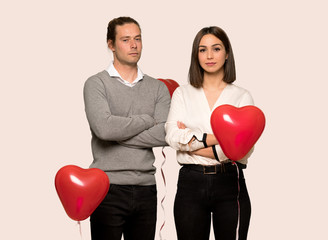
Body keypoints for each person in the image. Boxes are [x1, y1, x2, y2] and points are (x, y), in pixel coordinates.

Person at [83, 16, 171, 240]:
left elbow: (164, 133)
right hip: (107, 189)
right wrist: (145, 119)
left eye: (138, 39)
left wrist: (116, 131)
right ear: (111, 45)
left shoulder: (158, 88)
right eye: (126, 39)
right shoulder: (96, 84)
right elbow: (103, 129)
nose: (134, 45)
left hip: (146, 189)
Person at [165, 26, 254, 240]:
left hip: (230, 184)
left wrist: (192, 141)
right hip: (190, 183)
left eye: (216, 48)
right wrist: (220, 139)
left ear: (227, 53)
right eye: (202, 50)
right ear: (196, 55)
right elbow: (173, 137)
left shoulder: (241, 97)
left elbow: (243, 151)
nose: (210, 56)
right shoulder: (182, 93)